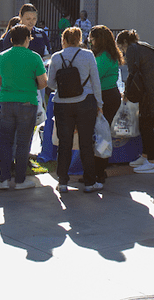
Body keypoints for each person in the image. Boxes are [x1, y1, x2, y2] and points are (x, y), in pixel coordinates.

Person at [0, 25, 47, 191]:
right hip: (27, 102)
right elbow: (43, 82)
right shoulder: (34, 57)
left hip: (7, 101)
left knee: (6, 141)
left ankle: (4, 179)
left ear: (11, 39)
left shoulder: (1, 57)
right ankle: (20, 180)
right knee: (23, 142)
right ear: (28, 38)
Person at [47, 26, 103, 193]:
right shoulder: (88, 55)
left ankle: (62, 181)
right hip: (85, 102)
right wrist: (99, 104)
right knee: (86, 142)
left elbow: (50, 84)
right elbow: (96, 81)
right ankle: (89, 182)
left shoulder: (56, 57)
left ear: (63, 40)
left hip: (62, 103)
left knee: (65, 143)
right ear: (80, 40)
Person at [116, 29, 154, 174]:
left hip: (149, 93)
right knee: (145, 124)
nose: (123, 51)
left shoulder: (133, 49)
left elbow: (133, 73)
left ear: (125, 42)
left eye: (122, 47)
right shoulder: (143, 46)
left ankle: (152, 162)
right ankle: (145, 156)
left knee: (146, 126)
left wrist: (127, 93)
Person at [89, 24, 123, 183]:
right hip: (111, 95)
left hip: (105, 97)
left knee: (101, 135)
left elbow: (93, 77)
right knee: (104, 134)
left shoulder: (102, 57)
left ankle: (99, 171)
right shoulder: (110, 54)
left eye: (92, 39)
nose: (90, 42)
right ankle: (100, 169)